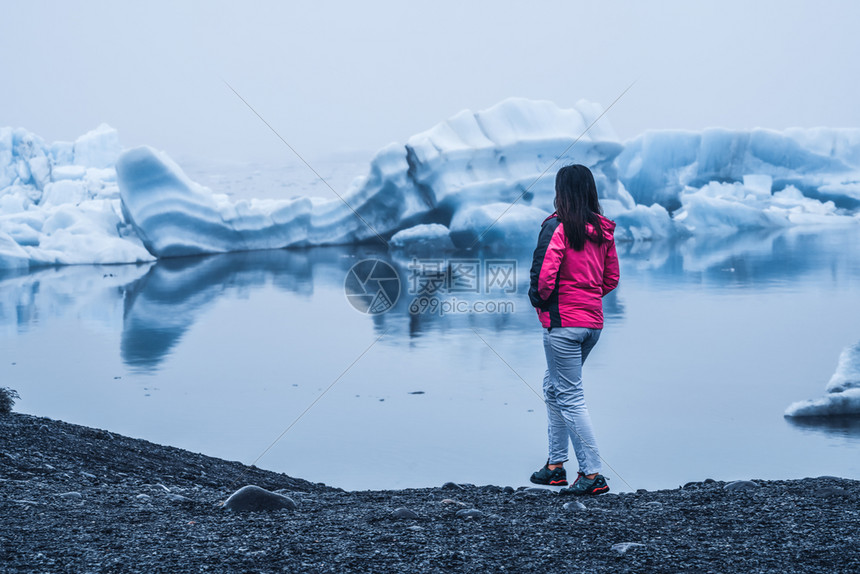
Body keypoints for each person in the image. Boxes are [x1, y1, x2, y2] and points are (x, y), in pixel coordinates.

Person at [527, 164, 619, 495]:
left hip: (563, 324)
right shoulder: (603, 231)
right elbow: (611, 278)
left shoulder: (557, 227)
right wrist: (586, 301)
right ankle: (554, 467)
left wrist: (540, 301)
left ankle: (592, 473)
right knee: (554, 387)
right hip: (591, 324)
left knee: (570, 395)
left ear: (561, 191)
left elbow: (543, 276)